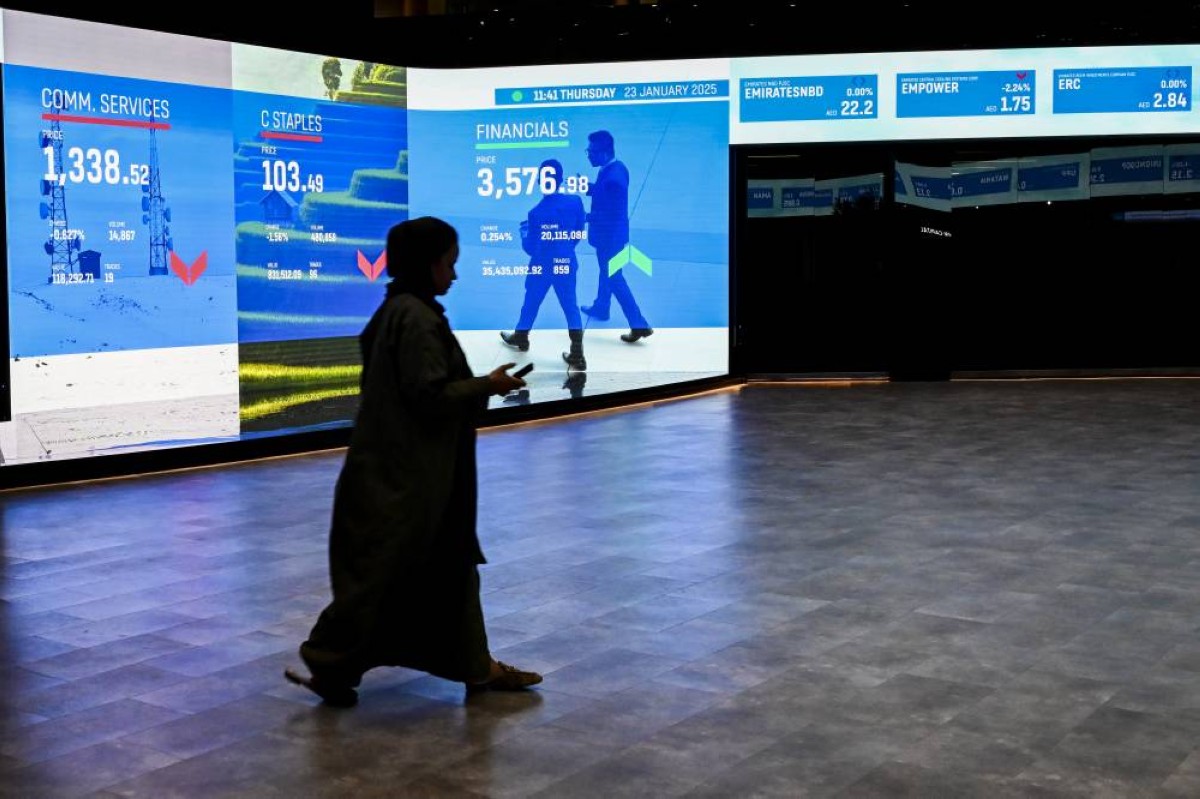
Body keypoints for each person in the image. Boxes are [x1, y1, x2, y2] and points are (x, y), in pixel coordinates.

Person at [284, 216, 543, 707]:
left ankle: (469, 667)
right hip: (410, 482)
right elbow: (429, 396)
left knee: (437, 572)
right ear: (428, 264)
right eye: (449, 264)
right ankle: (333, 661)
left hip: (397, 473)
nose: (454, 275)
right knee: (397, 575)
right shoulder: (417, 318)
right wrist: (488, 385)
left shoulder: (395, 311)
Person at [499, 158, 588, 370]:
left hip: (542, 266)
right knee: (571, 306)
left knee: (531, 300)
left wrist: (524, 233)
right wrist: (565, 248)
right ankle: (577, 353)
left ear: (540, 181)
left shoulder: (536, 213)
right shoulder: (575, 201)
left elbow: (531, 248)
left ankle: (521, 336)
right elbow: (579, 231)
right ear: (560, 179)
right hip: (566, 261)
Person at [580, 129, 653, 344]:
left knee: (614, 277)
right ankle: (602, 306)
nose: (589, 155)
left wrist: (584, 216)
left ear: (603, 153)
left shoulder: (613, 178)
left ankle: (639, 324)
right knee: (607, 271)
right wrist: (586, 187)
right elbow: (604, 195)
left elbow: (609, 213)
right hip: (613, 236)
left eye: (591, 152)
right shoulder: (616, 168)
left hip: (609, 237)